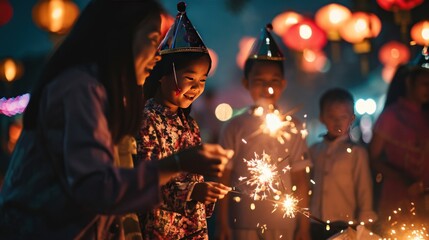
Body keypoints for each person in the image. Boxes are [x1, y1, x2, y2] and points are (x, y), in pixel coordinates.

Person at [0, 1, 233, 239]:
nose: (156, 57)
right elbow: (97, 188)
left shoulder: (103, 94)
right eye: (153, 40)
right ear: (121, 36)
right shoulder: (79, 89)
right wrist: (177, 164)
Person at [135, 3, 231, 239]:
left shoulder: (190, 124)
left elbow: (195, 180)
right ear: (162, 75)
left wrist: (207, 189)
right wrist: (193, 191)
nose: (196, 88)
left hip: (193, 230)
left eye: (202, 80)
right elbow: (143, 181)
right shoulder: (147, 120)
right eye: (189, 78)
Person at [215, 24, 311, 240]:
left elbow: (301, 178)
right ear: (245, 83)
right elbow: (223, 177)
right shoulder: (234, 126)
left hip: (284, 225)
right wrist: (222, 223)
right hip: (242, 223)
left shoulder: (293, 127)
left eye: (274, 81)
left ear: (283, 84)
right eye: (259, 81)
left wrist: (303, 227)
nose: (267, 88)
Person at [369, 48, 429, 233]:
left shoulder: (426, 117)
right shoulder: (391, 116)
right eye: (424, 84)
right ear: (409, 82)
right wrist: (402, 178)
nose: (428, 89)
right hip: (396, 201)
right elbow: (373, 158)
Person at [309, 88, 377, 240]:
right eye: (332, 117)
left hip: (344, 224)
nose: (337, 122)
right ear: (322, 117)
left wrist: (365, 222)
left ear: (351, 118)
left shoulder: (356, 152)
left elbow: (364, 188)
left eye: (343, 117)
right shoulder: (314, 150)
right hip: (315, 222)